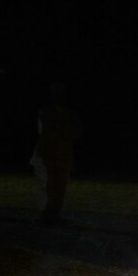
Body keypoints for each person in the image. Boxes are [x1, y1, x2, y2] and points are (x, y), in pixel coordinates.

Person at [30, 80, 82, 227]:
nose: (59, 96)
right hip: (48, 155)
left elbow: (76, 132)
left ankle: (54, 214)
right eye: (56, 93)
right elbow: (45, 133)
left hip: (61, 156)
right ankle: (46, 214)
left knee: (59, 186)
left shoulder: (69, 113)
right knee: (46, 185)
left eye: (61, 93)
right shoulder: (46, 112)